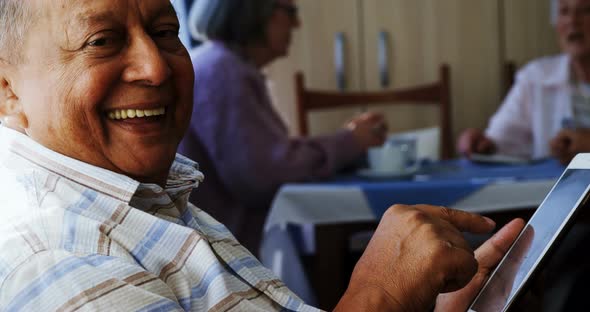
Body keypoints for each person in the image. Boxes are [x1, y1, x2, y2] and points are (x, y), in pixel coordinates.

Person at [0, 0, 526, 311]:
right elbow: (261, 171)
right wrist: (380, 296)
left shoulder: (156, 200)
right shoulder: (64, 267)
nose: (155, 69)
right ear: (8, 90)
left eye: (164, 33)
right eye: (101, 40)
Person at [178, 0, 388, 253]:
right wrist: (350, 141)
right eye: (290, 13)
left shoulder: (222, 65)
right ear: (255, 11)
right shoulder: (222, 72)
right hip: (230, 252)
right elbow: (264, 173)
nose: (297, 24)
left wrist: (348, 140)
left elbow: (268, 155)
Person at [457, 0, 590, 165]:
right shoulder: (536, 76)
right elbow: (499, 141)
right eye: (564, 12)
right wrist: (480, 145)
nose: (572, 21)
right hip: (554, 189)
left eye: (586, 11)